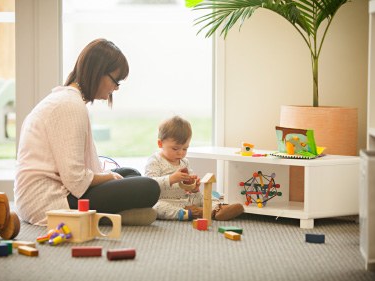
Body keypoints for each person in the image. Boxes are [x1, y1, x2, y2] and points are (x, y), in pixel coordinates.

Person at [14, 38, 160, 226]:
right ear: (99, 73)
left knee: (131, 173)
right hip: (49, 199)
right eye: (116, 81)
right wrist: (108, 176)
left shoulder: (67, 99)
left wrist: (109, 176)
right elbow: (75, 179)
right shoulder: (69, 105)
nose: (115, 88)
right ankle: (109, 217)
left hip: (58, 188)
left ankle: (115, 215)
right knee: (149, 188)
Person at [145, 115, 244, 221]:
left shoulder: (184, 162)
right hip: (166, 200)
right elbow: (149, 185)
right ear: (160, 143)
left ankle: (217, 209)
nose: (181, 153)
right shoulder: (155, 160)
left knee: (205, 195)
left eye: (185, 149)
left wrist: (194, 186)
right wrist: (171, 178)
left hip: (186, 199)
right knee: (158, 207)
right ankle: (193, 213)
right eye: (175, 148)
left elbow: (190, 188)